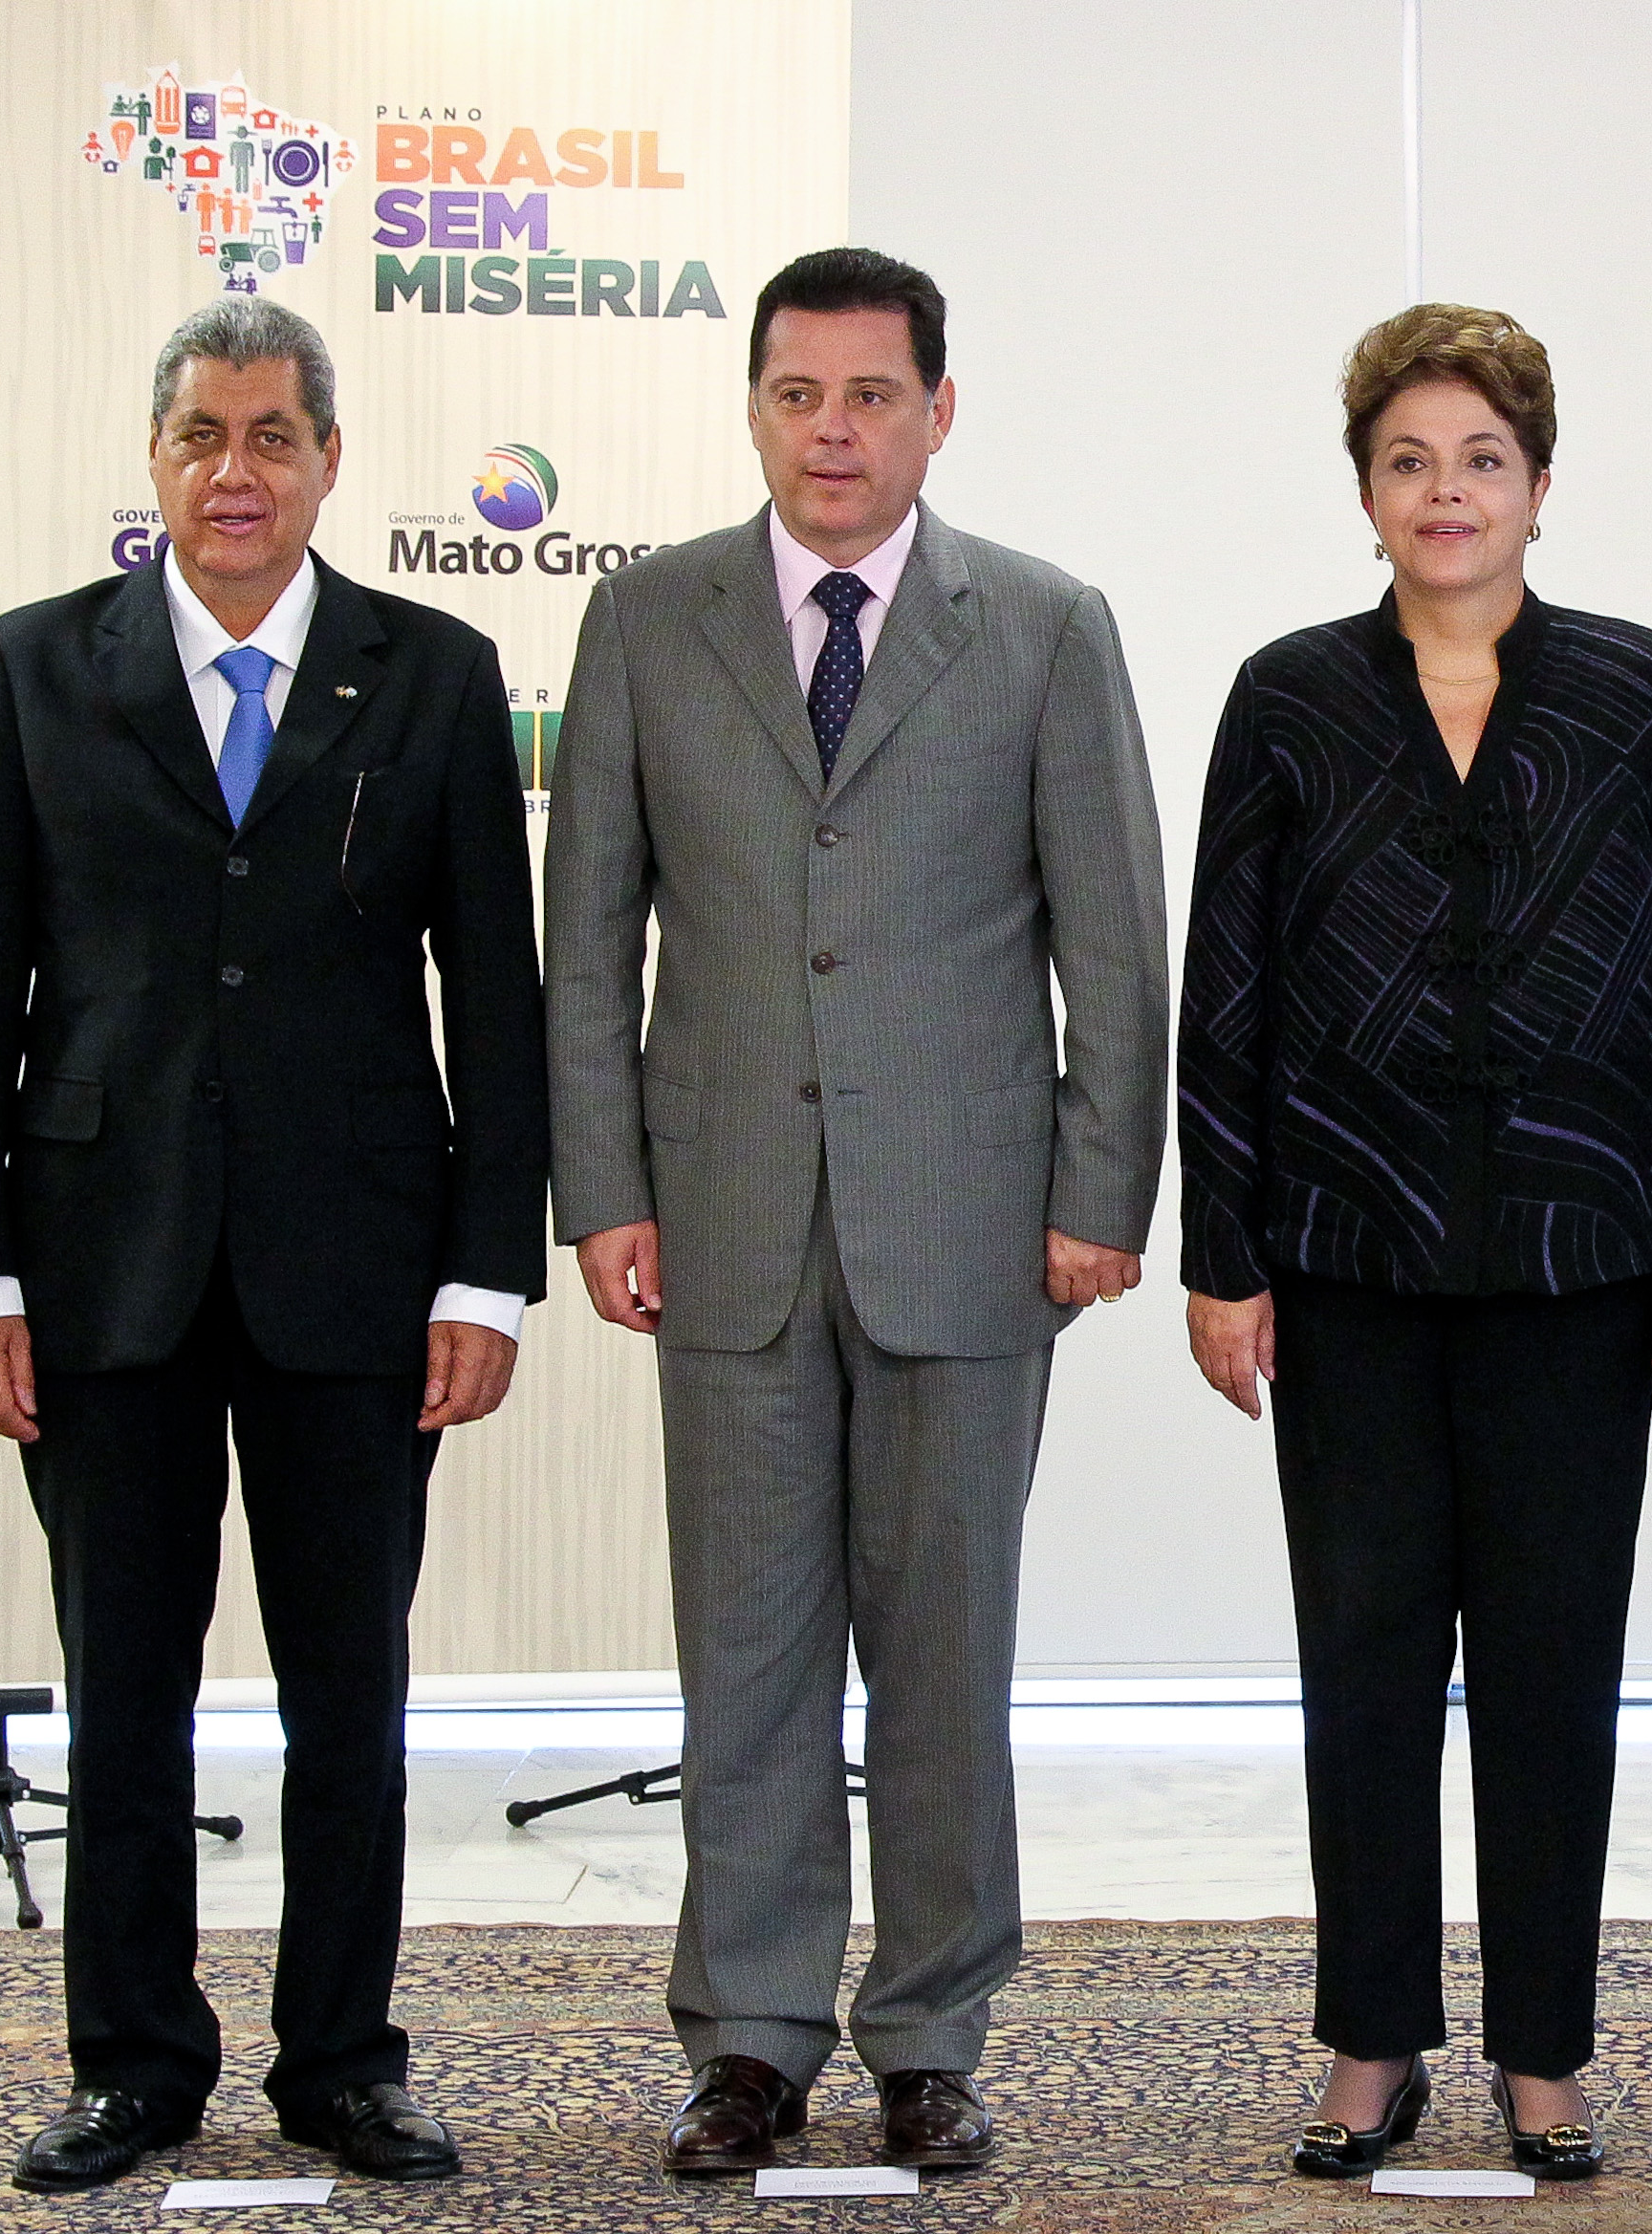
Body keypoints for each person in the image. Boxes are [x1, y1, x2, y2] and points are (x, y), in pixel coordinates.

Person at [0, 296, 547, 2193]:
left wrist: (484, 1268)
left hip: (360, 1269)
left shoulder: (430, 671)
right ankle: (133, 2063)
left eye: (275, 434)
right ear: (157, 458)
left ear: (330, 459)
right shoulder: (35, 670)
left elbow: (492, 1004)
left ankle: (344, 2059)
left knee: (353, 1688)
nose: (239, 470)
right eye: (204, 434)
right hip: (99, 1267)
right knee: (127, 1687)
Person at [542, 248, 1169, 2177]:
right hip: (718, 1212)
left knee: (943, 1648)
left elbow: (1115, 944)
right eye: (799, 393)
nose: (834, 428)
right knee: (743, 1650)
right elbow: (587, 943)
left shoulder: (1045, 627)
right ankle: (744, 2032)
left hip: (975, 1229)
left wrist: (1095, 1191)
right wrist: (603, 1190)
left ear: (937, 412)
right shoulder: (651, 618)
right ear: (752, 406)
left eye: (872, 395)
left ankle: (929, 2031)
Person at [1176, 303, 1652, 2181]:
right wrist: (1221, 1248)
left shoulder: (1635, 688)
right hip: (1340, 1258)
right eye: (1411, 460)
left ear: (1538, 481)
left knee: (1549, 1668)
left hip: (1580, 1254)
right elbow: (1228, 991)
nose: (1448, 493)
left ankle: (1542, 2055)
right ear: (1365, 488)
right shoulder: (1287, 694)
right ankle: (1368, 2044)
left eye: (1482, 459)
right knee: (1357, 1662)